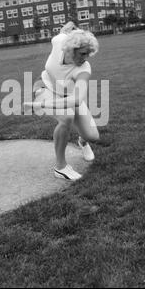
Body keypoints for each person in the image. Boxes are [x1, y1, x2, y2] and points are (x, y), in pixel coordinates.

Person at [24, 22, 100, 181]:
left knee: (92, 136)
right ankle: (61, 167)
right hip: (45, 86)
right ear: (71, 49)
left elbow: (77, 99)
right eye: (83, 54)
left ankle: (83, 142)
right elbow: (63, 32)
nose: (85, 58)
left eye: (88, 54)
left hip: (70, 95)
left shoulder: (84, 69)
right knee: (66, 117)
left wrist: (40, 105)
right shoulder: (59, 41)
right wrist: (68, 28)